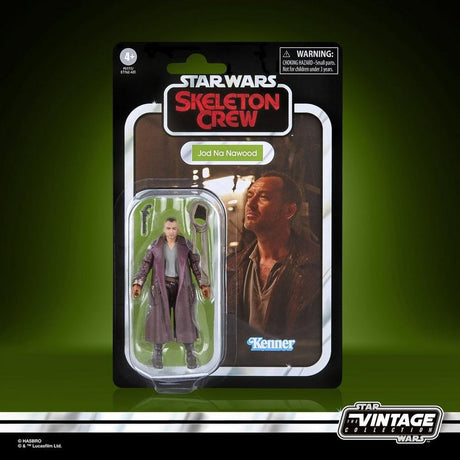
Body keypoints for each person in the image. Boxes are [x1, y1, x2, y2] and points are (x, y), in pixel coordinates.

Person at [226, 171, 322, 366]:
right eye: (250, 195)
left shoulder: (317, 265)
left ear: (289, 211)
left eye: (263, 197)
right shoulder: (232, 266)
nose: (250, 204)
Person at [132, 217, 210, 369]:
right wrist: (138, 283)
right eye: (168, 228)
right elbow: (145, 265)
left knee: (186, 320)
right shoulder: (156, 245)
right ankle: (157, 355)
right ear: (163, 229)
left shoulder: (185, 244)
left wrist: (203, 284)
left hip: (182, 287)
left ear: (178, 228)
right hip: (161, 288)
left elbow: (196, 265)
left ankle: (190, 355)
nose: (171, 231)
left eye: (174, 228)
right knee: (159, 320)